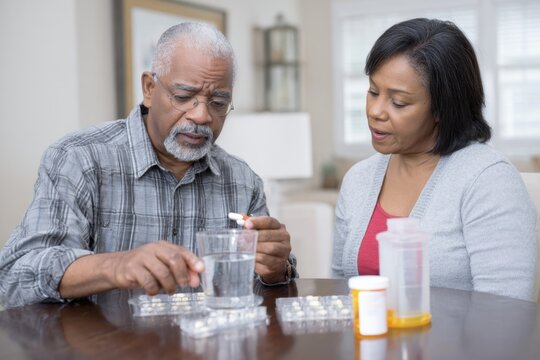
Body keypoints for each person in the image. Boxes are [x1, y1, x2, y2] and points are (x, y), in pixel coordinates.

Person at [0, 22, 296, 307]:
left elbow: (273, 284)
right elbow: (14, 278)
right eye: (184, 96)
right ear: (149, 89)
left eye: (218, 103)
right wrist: (115, 265)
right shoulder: (79, 160)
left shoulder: (242, 180)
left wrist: (276, 269)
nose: (202, 116)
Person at [332, 18, 537, 301]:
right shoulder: (358, 179)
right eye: (373, 92)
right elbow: (339, 290)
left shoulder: (488, 180)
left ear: (444, 108)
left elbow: (505, 312)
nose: (376, 111)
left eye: (399, 102)